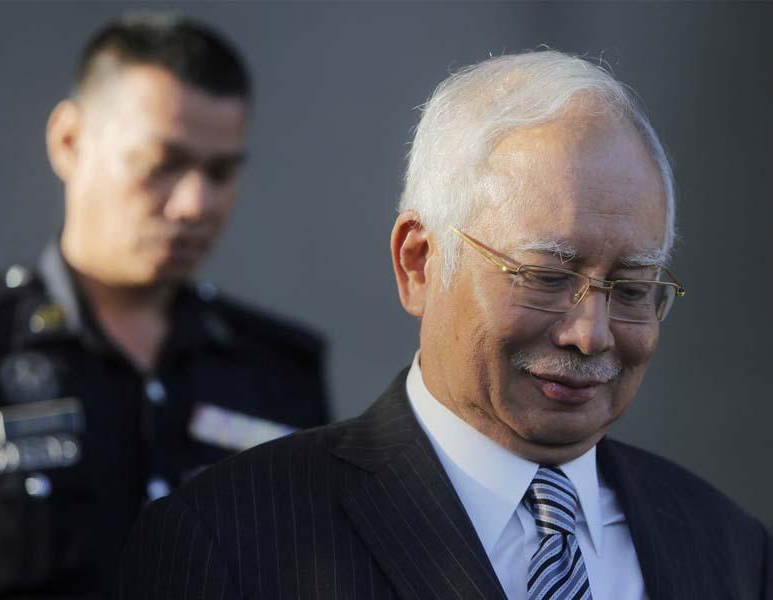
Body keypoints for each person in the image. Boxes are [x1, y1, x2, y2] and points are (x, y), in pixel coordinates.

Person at [115, 50, 772, 600]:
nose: (590, 334)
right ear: (420, 264)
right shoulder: (231, 540)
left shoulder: (730, 551)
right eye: (545, 277)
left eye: (630, 289)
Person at [0, 13, 329, 599]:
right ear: (68, 141)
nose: (194, 203)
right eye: (162, 164)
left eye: (220, 172)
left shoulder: (278, 373)